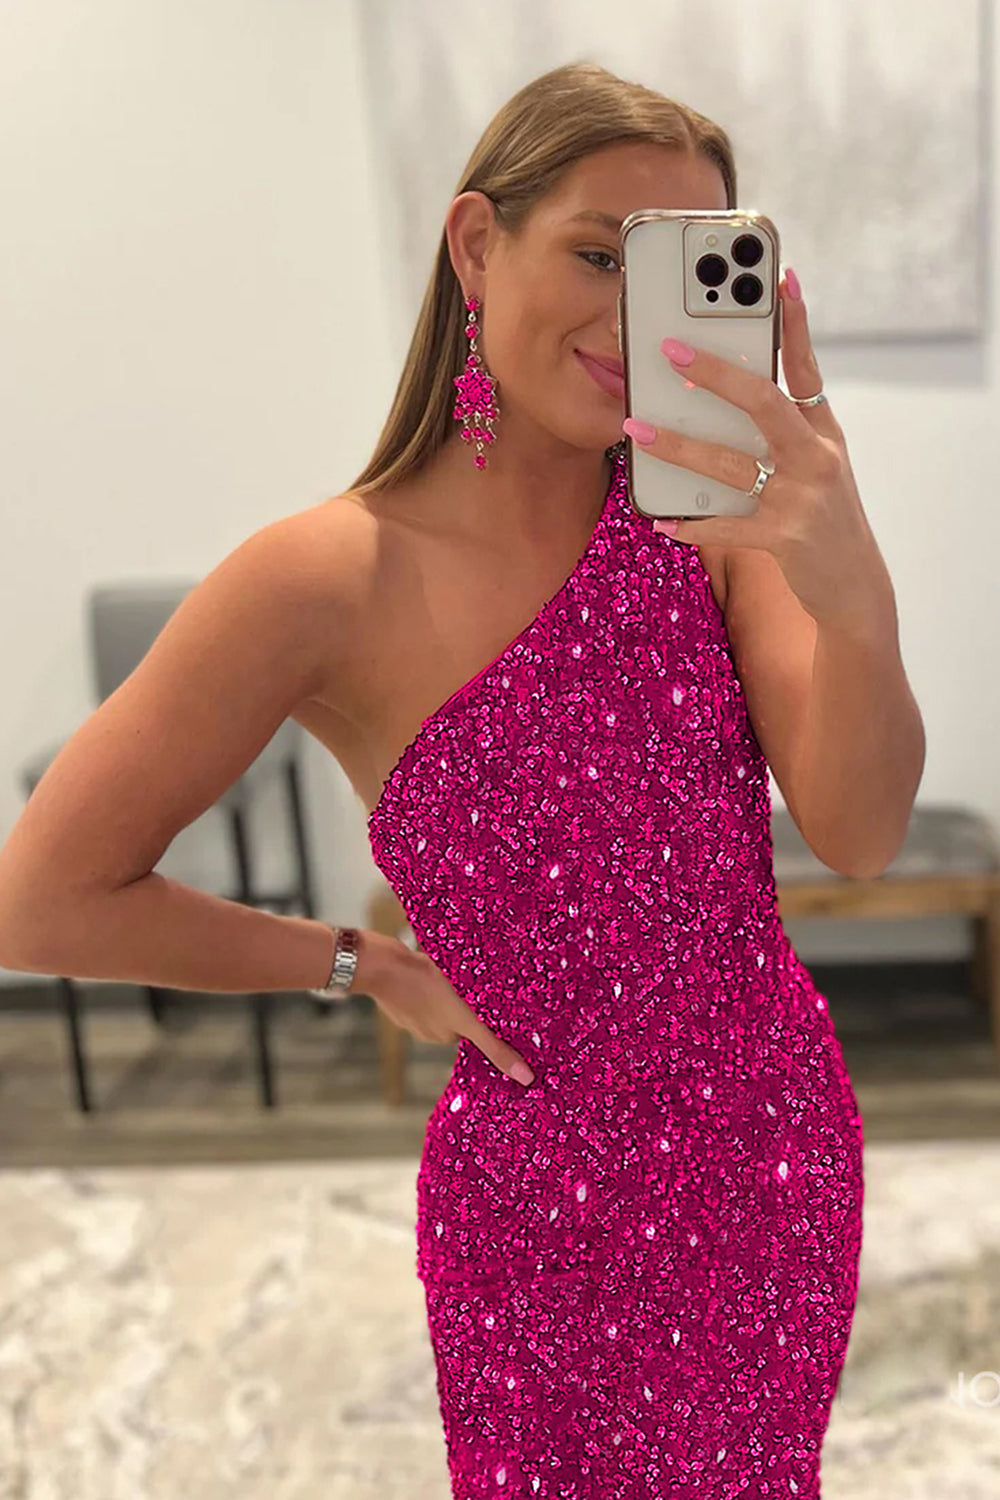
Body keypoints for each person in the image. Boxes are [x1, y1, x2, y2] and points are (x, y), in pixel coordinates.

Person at [0, 60, 925, 1500]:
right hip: (534, 1208)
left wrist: (853, 595)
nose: (629, 318)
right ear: (478, 244)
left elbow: (859, 834)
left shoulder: (721, 535)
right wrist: (360, 963)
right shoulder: (323, 579)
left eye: (673, 273)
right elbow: (43, 898)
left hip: (767, 1159)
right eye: (598, 255)